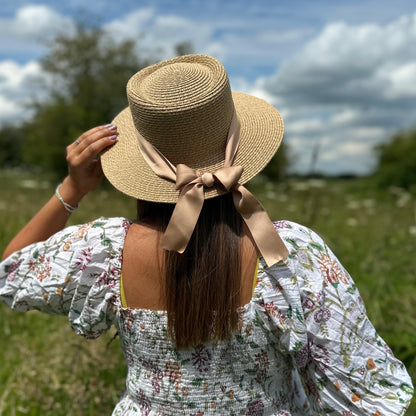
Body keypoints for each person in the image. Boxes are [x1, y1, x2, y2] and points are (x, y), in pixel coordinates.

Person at [0, 54, 413, 415]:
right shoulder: (288, 253)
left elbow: (8, 272)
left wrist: (72, 189)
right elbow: (370, 397)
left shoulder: (104, 251)